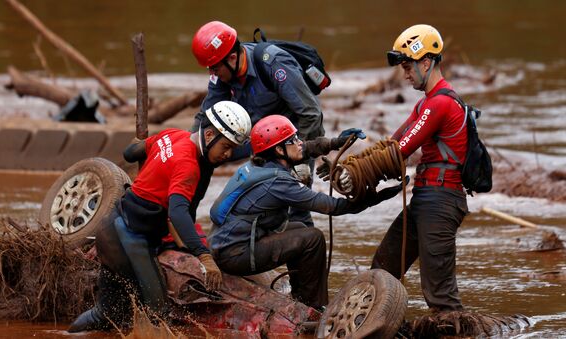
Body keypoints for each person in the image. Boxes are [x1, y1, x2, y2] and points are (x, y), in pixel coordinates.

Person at [68, 101, 252, 332]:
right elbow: (177, 212)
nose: (228, 154)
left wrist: (152, 154)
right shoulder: (188, 165)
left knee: (104, 313)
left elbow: (130, 152)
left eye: (233, 148)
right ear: (208, 134)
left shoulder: (173, 135)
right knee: (159, 316)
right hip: (129, 241)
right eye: (226, 146)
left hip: (111, 226)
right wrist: (204, 256)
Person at [208, 115, 403, 310]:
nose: (299, 142)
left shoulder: (259, 164)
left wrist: (336, 143)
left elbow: (304, 149)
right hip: (234, 255)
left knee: (299, 227)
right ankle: (313, 307)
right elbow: (332, 207)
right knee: (313, 238)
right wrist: (374, 198)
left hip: (225, 244)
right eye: (293, 139)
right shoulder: (279, 183)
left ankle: (299, 296)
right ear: (279, 150)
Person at [371, 24, 469, 312]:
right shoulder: (426, 103)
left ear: (426, 62)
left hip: (441, 201)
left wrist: (366, 172)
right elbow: (392, 143)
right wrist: (354, 167)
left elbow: (402, 151)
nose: (405, 74)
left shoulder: (440, 104)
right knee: (382, 270)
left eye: (408, 66)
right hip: (424, 199)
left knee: (440, 297)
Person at [191, 21, 325, 225]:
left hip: (294, 137)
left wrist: (300, 158)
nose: (212, 74)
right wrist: (188, 146)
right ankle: (185, 217)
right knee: (205, 152)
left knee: (297, 203)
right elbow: (205, 117)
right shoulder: (223, 72)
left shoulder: (273, 63)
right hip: (256, 136)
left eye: (215, 68)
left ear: (233, 58)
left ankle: (304, 242)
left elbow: (311, 113)